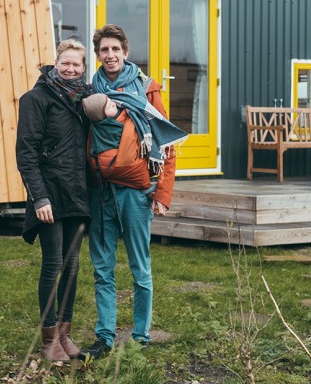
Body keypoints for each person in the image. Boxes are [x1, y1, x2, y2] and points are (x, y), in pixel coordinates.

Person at [82, 24, 186, 361]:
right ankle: (105, 337)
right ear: (97, 55)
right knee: (102, 267)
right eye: (103, 50)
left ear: (125, 53)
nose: (109, 55)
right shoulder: (89, 92)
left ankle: (141, 336)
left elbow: (166, 144)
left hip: (137, 192)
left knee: (140, 268)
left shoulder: (146, 90)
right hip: (101, 191)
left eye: (115, 49)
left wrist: (163, 194)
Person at [16, 38, 93, 363]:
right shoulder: (36, 98)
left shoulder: (85, 100)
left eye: (77, 65)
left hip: (76, 193)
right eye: (66, 63)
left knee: (72, 266)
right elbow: (26, 152)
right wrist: (39, 197)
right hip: (49, 194)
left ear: (83, 68)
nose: (71, 69)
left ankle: (64, 334)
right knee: (52, 265)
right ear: (56, 63)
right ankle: (48, 339)